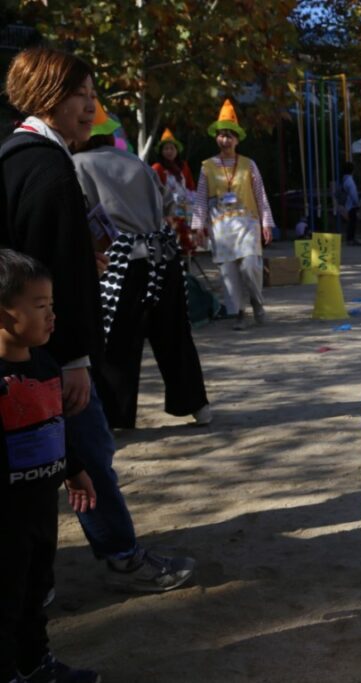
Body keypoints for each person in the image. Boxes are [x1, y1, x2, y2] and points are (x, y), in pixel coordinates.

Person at [2, 45, 195, 593]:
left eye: (92, 96)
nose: (91, 107)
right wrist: (73, 358)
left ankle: (41, 576)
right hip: (47, 348)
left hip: (22, 342)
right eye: (79, 96)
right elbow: (51, 270)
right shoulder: (46, 166)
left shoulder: (21, 157)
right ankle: (120, 555)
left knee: (51, 457)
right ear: (47, 96)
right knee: (87, 449)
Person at [73, 103, 210, 430]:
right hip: (163, 257)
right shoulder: (139, 163)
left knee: (117, 341)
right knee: (175, 334)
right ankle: (198, 406)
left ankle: (117, 417)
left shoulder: (76, 164)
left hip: (120, 261)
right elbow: (168, 204)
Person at [0, 249, 100, 683]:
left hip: (41, 512)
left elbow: (54, 425)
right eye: (40, 306)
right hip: (4, 520)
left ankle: (36, 663)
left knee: (36, 593)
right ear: (4, 314)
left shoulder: (45, 364)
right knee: (4, 601)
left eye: (52, 304)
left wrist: (74, 470)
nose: (51, 315)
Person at [191, 99, 275, 330]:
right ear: (216, 138)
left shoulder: (249, 165)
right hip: (221, 226)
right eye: (221, 135)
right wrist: (198, 227)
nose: (225, 139)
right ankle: (239, 312)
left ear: (237, 140)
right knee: (228, 272)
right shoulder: (207, 166)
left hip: (247, 223)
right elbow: (200, 197)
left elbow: (260, 194)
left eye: (229, 135)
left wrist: (266, 223)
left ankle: (257, 302)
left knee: (250, 265)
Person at [150, 128, 197, 255]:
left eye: (172, 148)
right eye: (166, 149)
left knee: (187, 244)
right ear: (161, 151)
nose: (169, 151)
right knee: (171, 245)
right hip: (167, 212)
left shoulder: (184, 166)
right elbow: (154, 191)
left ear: (177, 150)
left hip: (185, 210)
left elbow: (191, 187)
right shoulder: (157, 168)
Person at [341, 162, 361, 246]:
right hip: (351, 205)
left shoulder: (344, 179)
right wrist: (358, 204)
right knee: (352, 222)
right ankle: (351, 239)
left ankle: (350, 239)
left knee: (351, 222)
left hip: (346, 204)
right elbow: (353, 194)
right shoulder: (350, 181)